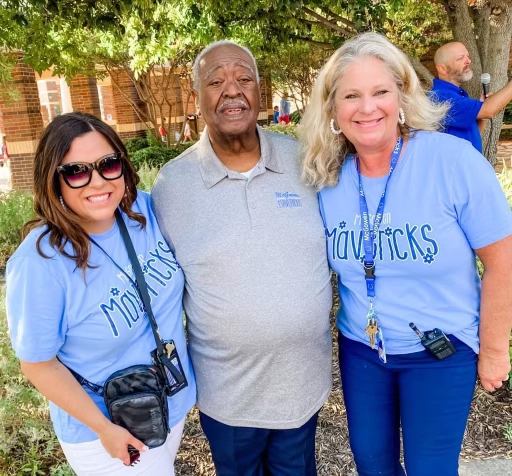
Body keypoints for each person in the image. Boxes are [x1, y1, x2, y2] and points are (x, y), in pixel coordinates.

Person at [300, 32, 512, 476]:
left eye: (380, 91)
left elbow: (502, 262)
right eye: (351, 95)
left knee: (429, 468)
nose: (367, 106)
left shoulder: (452, 161)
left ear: (402, 95)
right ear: (333, 109)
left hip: (442, 351)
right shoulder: (326, 179)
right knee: (372, 466)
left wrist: (494, 351)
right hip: (363, 352)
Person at [152, 40, 332, 475]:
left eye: (244, 78)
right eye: (216, 81)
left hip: (300, 386)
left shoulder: (304, 162)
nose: (232, 90)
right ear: (196, 98)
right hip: (227, 395)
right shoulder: (172, 186)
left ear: (259, 92)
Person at [6, 112, 196, 475]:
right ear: (53, 180)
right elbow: (38, 364)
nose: (97, 182)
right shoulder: (40, 263)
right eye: (77, 171)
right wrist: (103, 428)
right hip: (108, 431)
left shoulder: (144, 211)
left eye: (108, 164)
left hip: (168, 404)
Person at [430, 41, 512, 153]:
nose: (468, 61)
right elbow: (489, 110)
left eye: (468, 56)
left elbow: (474, 134)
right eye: (460, 58)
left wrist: (482, 114)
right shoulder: (440, 97)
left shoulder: (457, 95)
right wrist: (485, 109)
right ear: (442, 69)